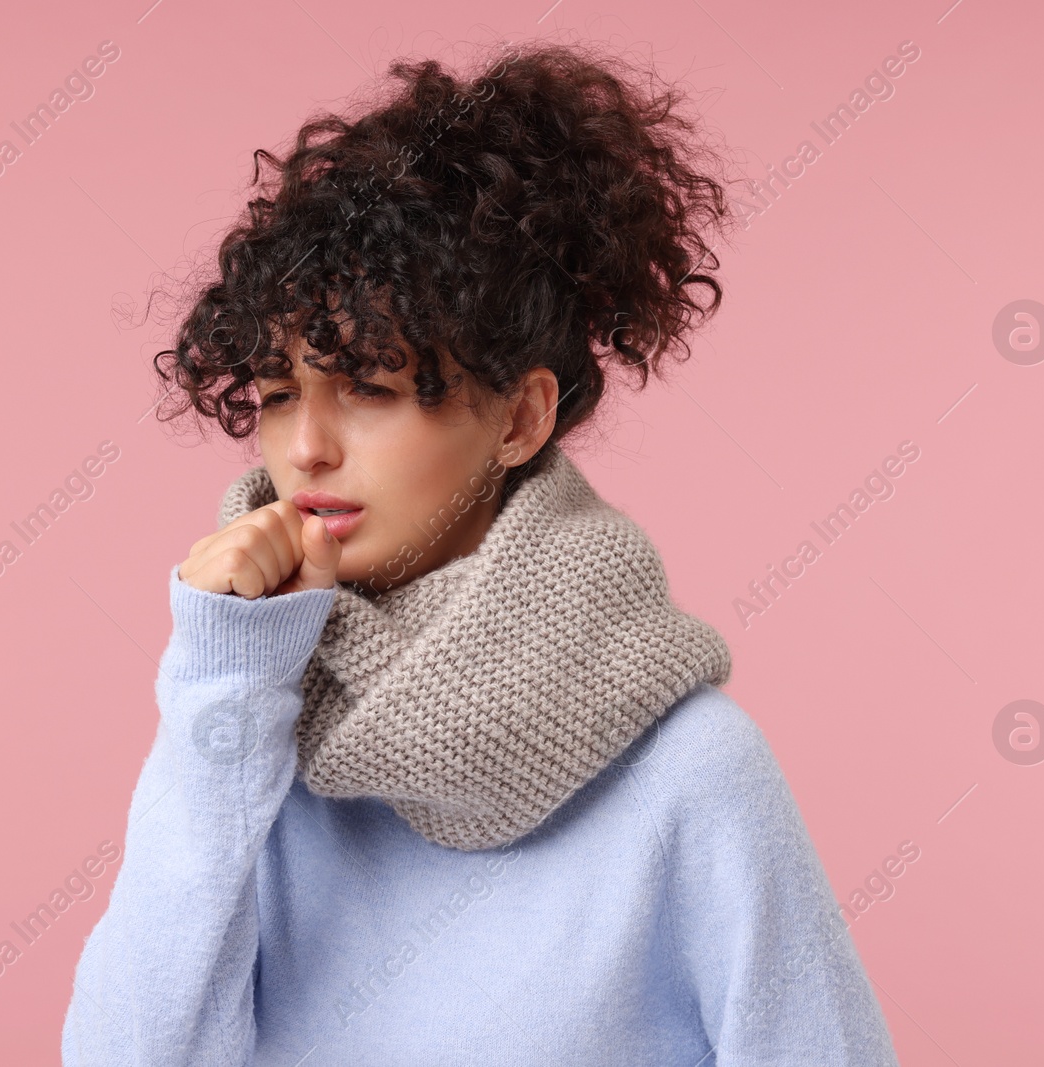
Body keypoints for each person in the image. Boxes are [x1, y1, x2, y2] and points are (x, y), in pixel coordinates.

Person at [62, 39, 899, 1066]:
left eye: (368, 386)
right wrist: (219, 685)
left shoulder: (689, 770)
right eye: (278, 394)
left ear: (518, 418)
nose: (306, 446)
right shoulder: (249, 725)